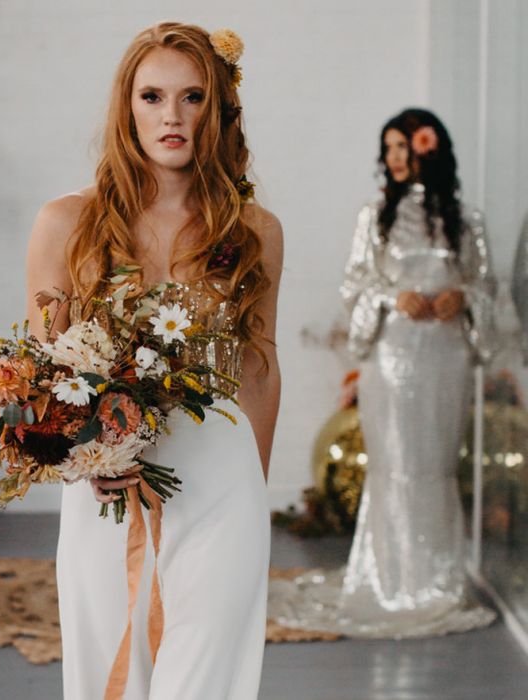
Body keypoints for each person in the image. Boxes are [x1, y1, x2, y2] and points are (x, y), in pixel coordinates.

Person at [25, 22, 282, 699]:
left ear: (220, 109)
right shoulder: (65, 224)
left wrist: (255, 492)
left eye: (193, 96)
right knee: (110, 668)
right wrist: (81, 461)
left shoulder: (255, 233)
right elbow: (44, 376)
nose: (172, 115)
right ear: (126, 107)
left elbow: (258, 368)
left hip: (223, 482)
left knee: (205, 679)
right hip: (109, 489)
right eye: (152, 96)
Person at [269, 108, 496, 638]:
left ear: (429, 150)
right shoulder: (376, 217)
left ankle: (439, 582)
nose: (394, 157)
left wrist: (463, 298)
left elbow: (488, 288)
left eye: (404, 146)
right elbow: (355, 287)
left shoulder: (468, 220)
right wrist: (395, 297)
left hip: (446, 356)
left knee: (436, 464)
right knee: (396, 464)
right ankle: (389, 582)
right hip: (392, 359)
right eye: (389, 148)